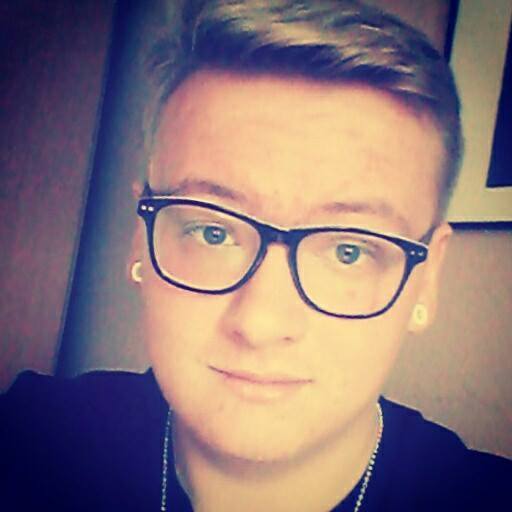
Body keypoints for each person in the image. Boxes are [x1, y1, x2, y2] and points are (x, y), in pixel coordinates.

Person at [1, 1, 510, 511]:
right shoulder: (31, 440)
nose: (261, 323)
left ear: (426, 280)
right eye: (213, 232)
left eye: (348, 251)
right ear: (141, 239)